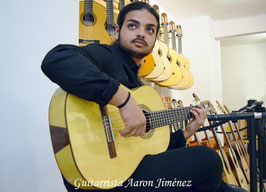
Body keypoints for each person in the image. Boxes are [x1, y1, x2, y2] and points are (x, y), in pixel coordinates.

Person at [41, 2, 248, 192]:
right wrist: (123, 100)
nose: (141, 33)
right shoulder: (107, 56)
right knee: (208, 159)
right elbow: (56, 59)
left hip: (126, 172)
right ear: (116, 31)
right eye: (133, 26)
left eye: (149, 29)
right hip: (99, 179)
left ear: (155, 40)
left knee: (203, 167)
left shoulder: (141, 87)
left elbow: (151, 149)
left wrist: (186, 133)